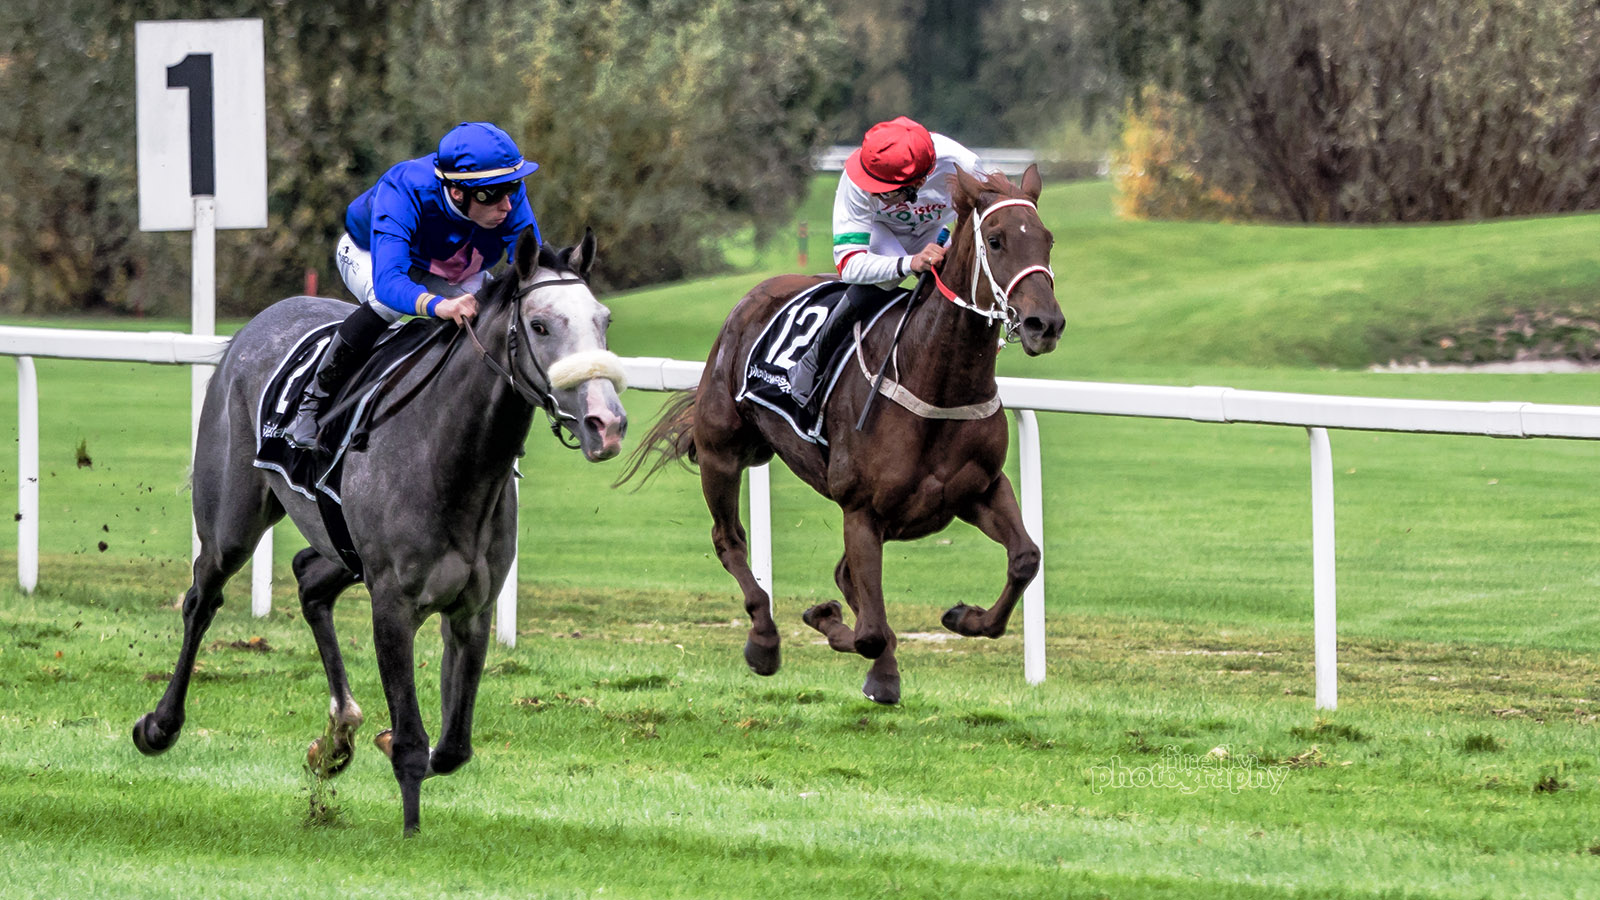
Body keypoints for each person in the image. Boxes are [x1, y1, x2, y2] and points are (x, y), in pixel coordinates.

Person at [283, 121, 542, 450]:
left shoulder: (505, 195)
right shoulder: (403, 188)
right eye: (493, 194)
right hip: (374, 256)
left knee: (490, 316)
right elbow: (391, 283)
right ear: (457, 192)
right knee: (384, 303)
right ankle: (310, 405)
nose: (507, 204)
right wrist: (439, 305)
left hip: (451, 266)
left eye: (513, 187)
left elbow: (531, 265)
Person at [786, 116, 985, 411]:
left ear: (919, 180)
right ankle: (813, 359)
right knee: (885, 279)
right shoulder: (856, 179)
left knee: (950, 282)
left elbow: (983, 220)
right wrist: (909, 263)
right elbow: (851, 265)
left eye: (885, 190)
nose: (874, 193)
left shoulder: (963, 164)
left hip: (938, 229)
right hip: (883, 231)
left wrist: (947, 241)